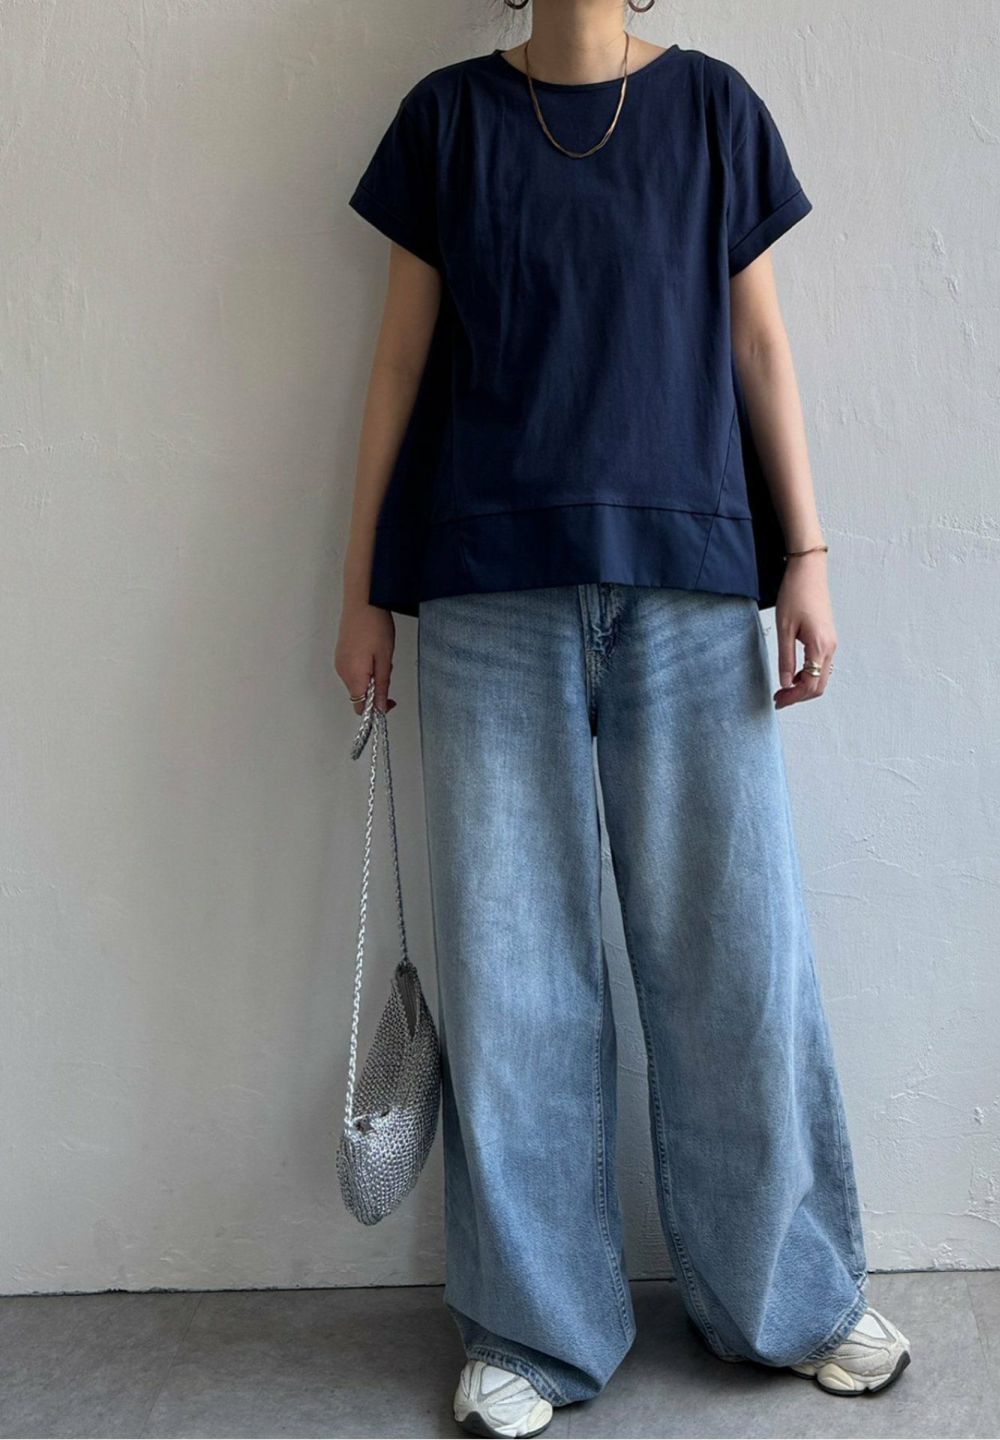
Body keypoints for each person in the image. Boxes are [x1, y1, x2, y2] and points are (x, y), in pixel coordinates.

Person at [336, 4, 910, 1435]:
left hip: (693, 588)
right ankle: (532, 1334)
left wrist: (807, 556)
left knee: (736, 951)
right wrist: (360, 591)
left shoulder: (715, 112)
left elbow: (759, 346)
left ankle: (791, 1297)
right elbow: (397, 364)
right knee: (513, 972)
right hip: (486, 592)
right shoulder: (446, 122)